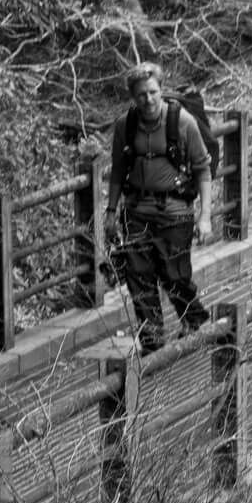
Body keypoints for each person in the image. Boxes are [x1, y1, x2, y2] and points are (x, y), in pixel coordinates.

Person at [105, 63, 213, 354]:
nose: (148, 99)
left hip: (175, 211)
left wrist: (205, 217)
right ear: (133, 96)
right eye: (141, 94)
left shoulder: (183, 122)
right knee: (138, 278)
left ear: (161, 90)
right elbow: (118, 171)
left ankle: (195, 319)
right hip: (136, 211)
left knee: (175, 275)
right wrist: (111, 211)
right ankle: (152, 343)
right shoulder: (125, 126)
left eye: (153, 92)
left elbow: (203, 170)